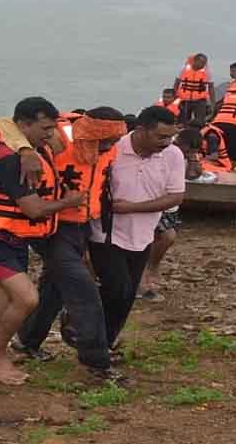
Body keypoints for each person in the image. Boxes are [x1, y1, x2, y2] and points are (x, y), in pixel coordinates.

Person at [0, 97, 84, 386]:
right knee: (27, 298)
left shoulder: (30, 147)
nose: (50, 135)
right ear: (24, 125)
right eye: (44, 129)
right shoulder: (9, 158)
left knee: (6, 299)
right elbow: (34, 209)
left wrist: (31, 146)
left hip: (12, 234)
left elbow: (63, 131)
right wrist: (69, 202)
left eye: (52, 128)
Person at [0, 107, 128, 382]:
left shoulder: (110, 149)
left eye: (115, 141)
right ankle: (95, 362)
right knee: (83, 289)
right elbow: (6, 125)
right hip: (52, 226)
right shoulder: (59, 139)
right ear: (92, 133)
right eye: (106, 141)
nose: (110, 147)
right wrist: (24, 150)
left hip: (82, 226)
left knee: (56, 286)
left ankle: (27, 341)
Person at [88, 106, 186, 351]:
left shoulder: (173, 155)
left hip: (143, 236)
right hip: (105, 233)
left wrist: (132, 207)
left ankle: (106, 341)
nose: (167, 142)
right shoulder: (113, 149)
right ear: (141, 130)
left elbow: (175, 196)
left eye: (170, 136)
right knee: (117, 289)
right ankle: (92, 341)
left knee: (128, 295)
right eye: (161, 136)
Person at [137, 129, 203, 300]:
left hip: (169, 207)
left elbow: (193, 175)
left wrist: (192, 156)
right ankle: (142, 281)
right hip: (154, 203)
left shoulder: (182, 156)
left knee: (166, 238)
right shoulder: (162, 150)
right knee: (163, 237)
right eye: (186, 149)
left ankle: (150, 270)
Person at [173, 54, 214, 126]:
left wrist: (212, 104)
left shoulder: (207, 72)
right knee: (183, 121)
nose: (203, 65)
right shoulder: (183, 69)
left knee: (200, 122)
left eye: (205, 63)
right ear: (195, 61)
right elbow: (176, 84)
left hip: (200, 101)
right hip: (184, 100)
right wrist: (175, 99)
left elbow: (211, 88)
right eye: (202, 62)